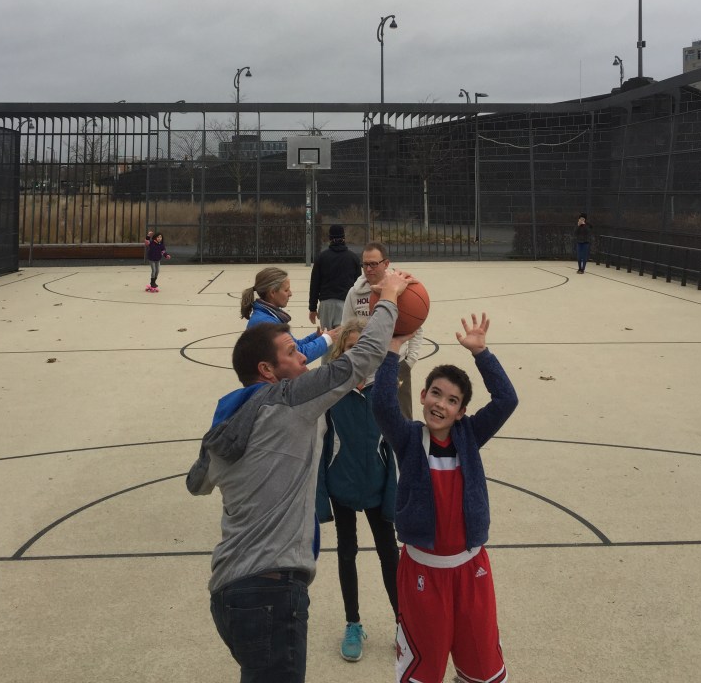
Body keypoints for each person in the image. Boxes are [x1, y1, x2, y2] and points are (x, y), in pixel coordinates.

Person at [186, 268, 413, 683]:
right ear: (267, 370)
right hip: (271, 590)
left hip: (227, 591)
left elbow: (196, 483)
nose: (303, 357)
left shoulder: (228, 421)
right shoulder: (290, 401)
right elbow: (362, 358)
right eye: (292, 352)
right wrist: (390, 299)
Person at [372, 313, 518, 683]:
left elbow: (507, 399)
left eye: (452, 400)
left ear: (462, 411)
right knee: (425, 669)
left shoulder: (470, 435)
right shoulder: (409, 439)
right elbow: (383, 405)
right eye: (435, 393)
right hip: (423, 571)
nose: (441, 404)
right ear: (422, 396)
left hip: (471, 570)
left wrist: (482, 354)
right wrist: (392, 349)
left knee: (482, 666)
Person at [316, 320, 399, 663]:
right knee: (346, 551)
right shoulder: (330, 392)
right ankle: (353, 623)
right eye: (351, 348)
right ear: (341, 352)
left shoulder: (385, 390)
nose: (358, 354)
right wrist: (321, 497)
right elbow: (320, 446)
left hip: (378, 486)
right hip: (343, 486)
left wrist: (395, 493)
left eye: (363, 347)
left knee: (389, 553)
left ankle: (404, 623)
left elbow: (395, 446)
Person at [343, 242, 423, 418]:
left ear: (386, 264)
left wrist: (409, 361)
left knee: (402, 417)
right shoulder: (354, 293)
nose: (368, 269)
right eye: (365, 264)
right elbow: (345, 331)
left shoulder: (403, 288)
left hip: (396, 363)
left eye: (373, 264)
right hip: (364, 366)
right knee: (369, 419)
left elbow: (416, 327)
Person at [241, 266, 332, 364]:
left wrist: (316, 336)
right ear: (272, 292)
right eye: (286, 290)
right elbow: (296, 356)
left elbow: (295, 346)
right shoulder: (266, 323)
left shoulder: (269, 316)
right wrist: (326, 339)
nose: (290, 293)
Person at [308, 224, 362, 330]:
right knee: (343, 336)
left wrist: (312, 308)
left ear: (330, 238)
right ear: (344, 237)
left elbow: (314, 285)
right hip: (345, 302)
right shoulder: (353, 258)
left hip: (326, 303)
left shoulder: (322, 257)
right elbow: (358, 285)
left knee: (327, 337)